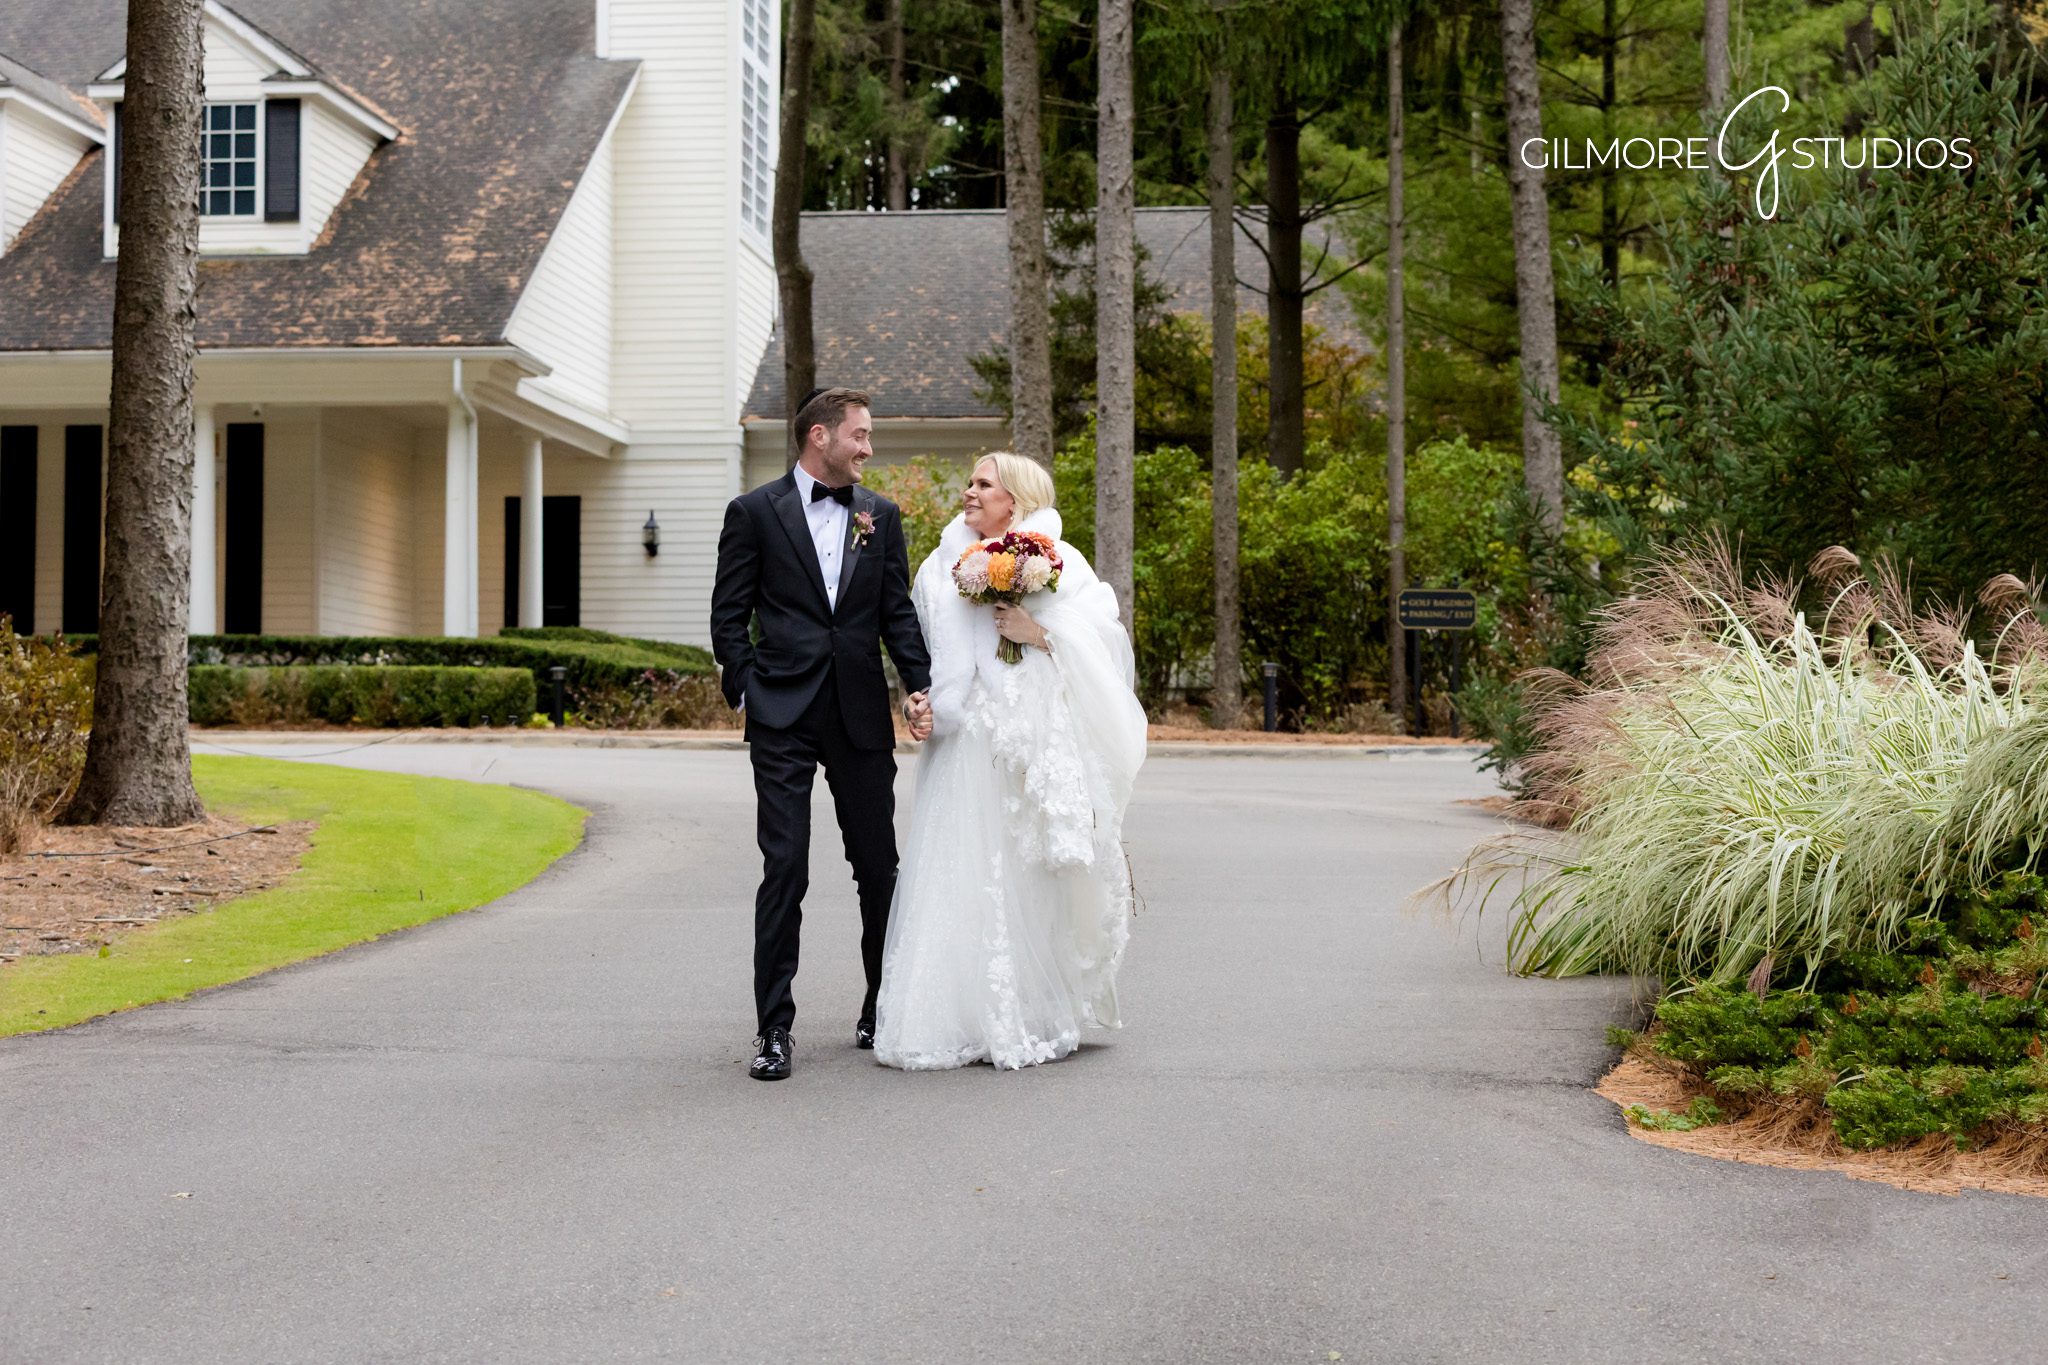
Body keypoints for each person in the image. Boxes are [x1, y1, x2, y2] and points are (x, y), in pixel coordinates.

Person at [873, 452, 1147, 1070]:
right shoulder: (938, 566)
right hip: (960, 741)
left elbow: (1103, 638)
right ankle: (954, 1013)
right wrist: (916, 703)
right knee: (957, 868)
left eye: (982, 484)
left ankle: (1030, 1008)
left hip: (1027, 736)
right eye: (969, 482)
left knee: (1024, 873)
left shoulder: (1057, 560)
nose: (968, 492)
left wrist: (1038, 632)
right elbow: (920, 654)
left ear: (1014, 501)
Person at [709, 387, 934, 1081]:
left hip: (860, 711)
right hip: (782, 712)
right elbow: (728, 613)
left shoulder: (881, 517)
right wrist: (746, 685)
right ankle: (774, 1029)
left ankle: (881, 1003)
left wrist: (918, 685)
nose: (868, 448)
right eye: (860, 435)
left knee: (878, 867)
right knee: (787, 866)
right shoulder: (753, 513)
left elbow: (896, 612)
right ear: (819, 437)